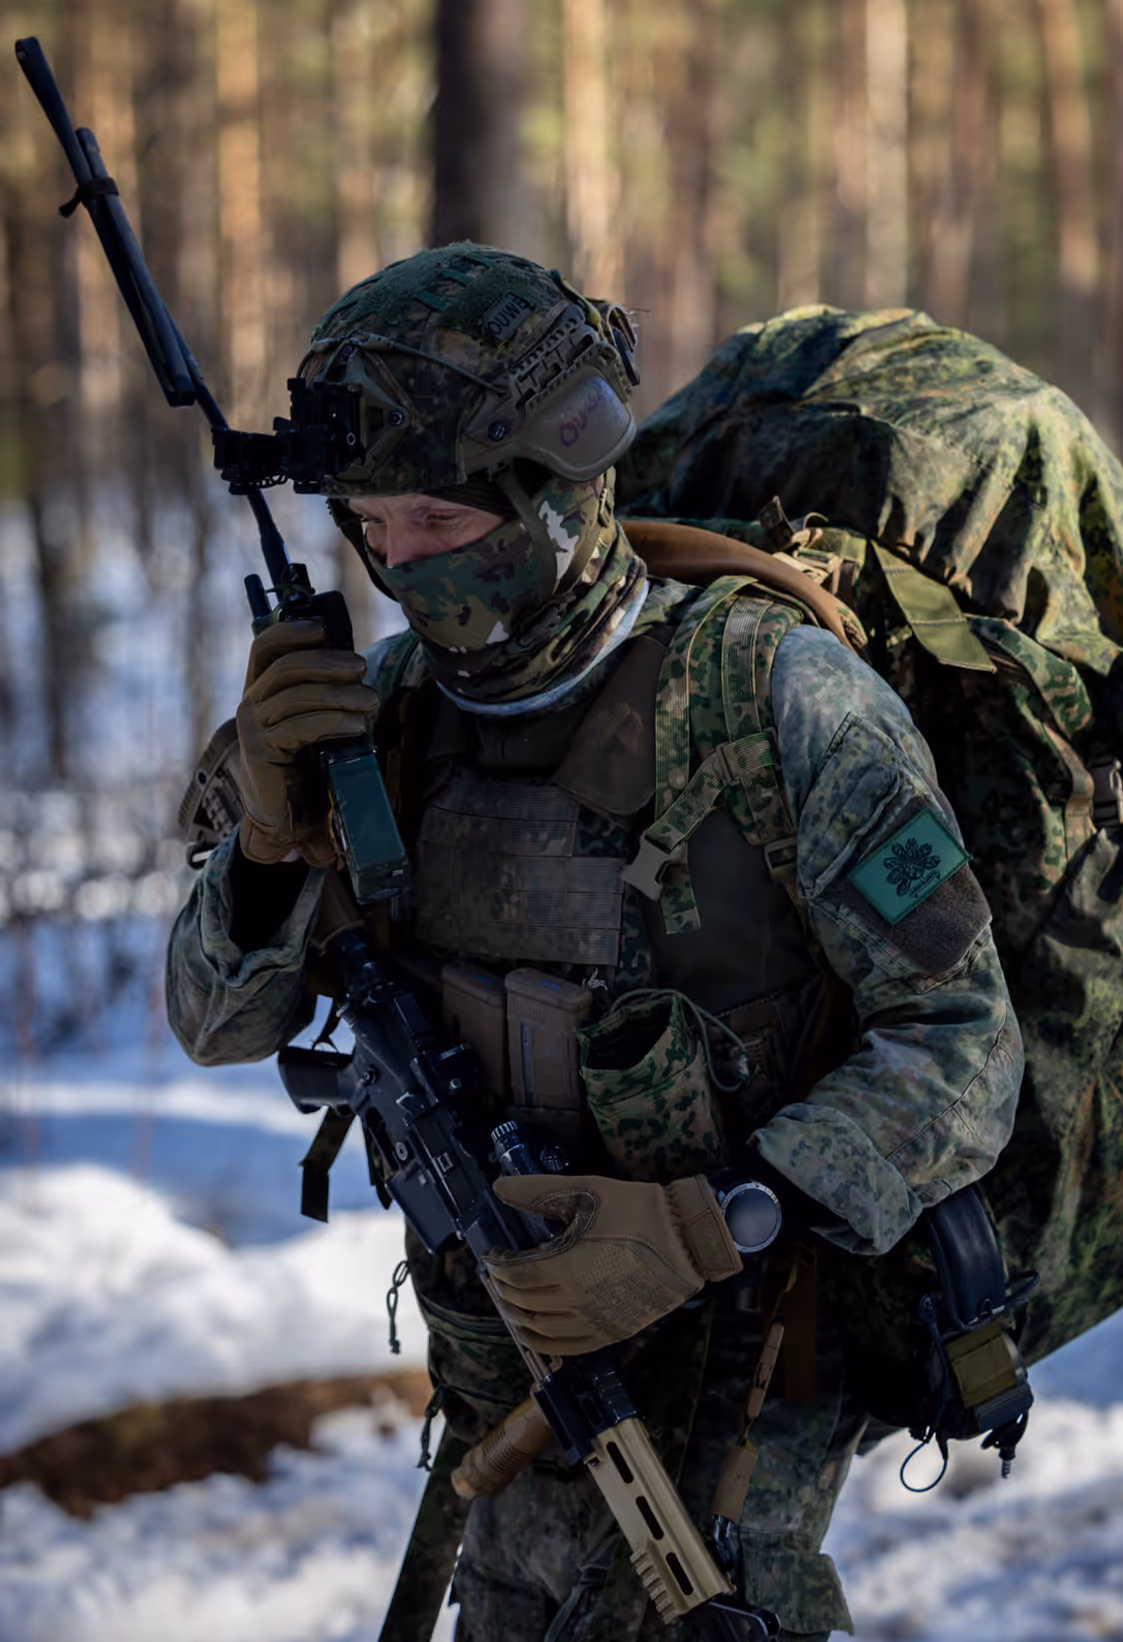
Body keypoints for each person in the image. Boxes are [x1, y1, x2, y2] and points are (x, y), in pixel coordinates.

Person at [166, 243, 1023, 1641]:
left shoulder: (775, 701)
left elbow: (964, 1047)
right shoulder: (384, 723)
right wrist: (264, 844)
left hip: (737, 1386)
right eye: (372, 524)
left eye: (438, 516)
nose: (401, 561)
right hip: (500, 1369)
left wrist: (712, 1221)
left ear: (555, 488)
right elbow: (215, 1026)